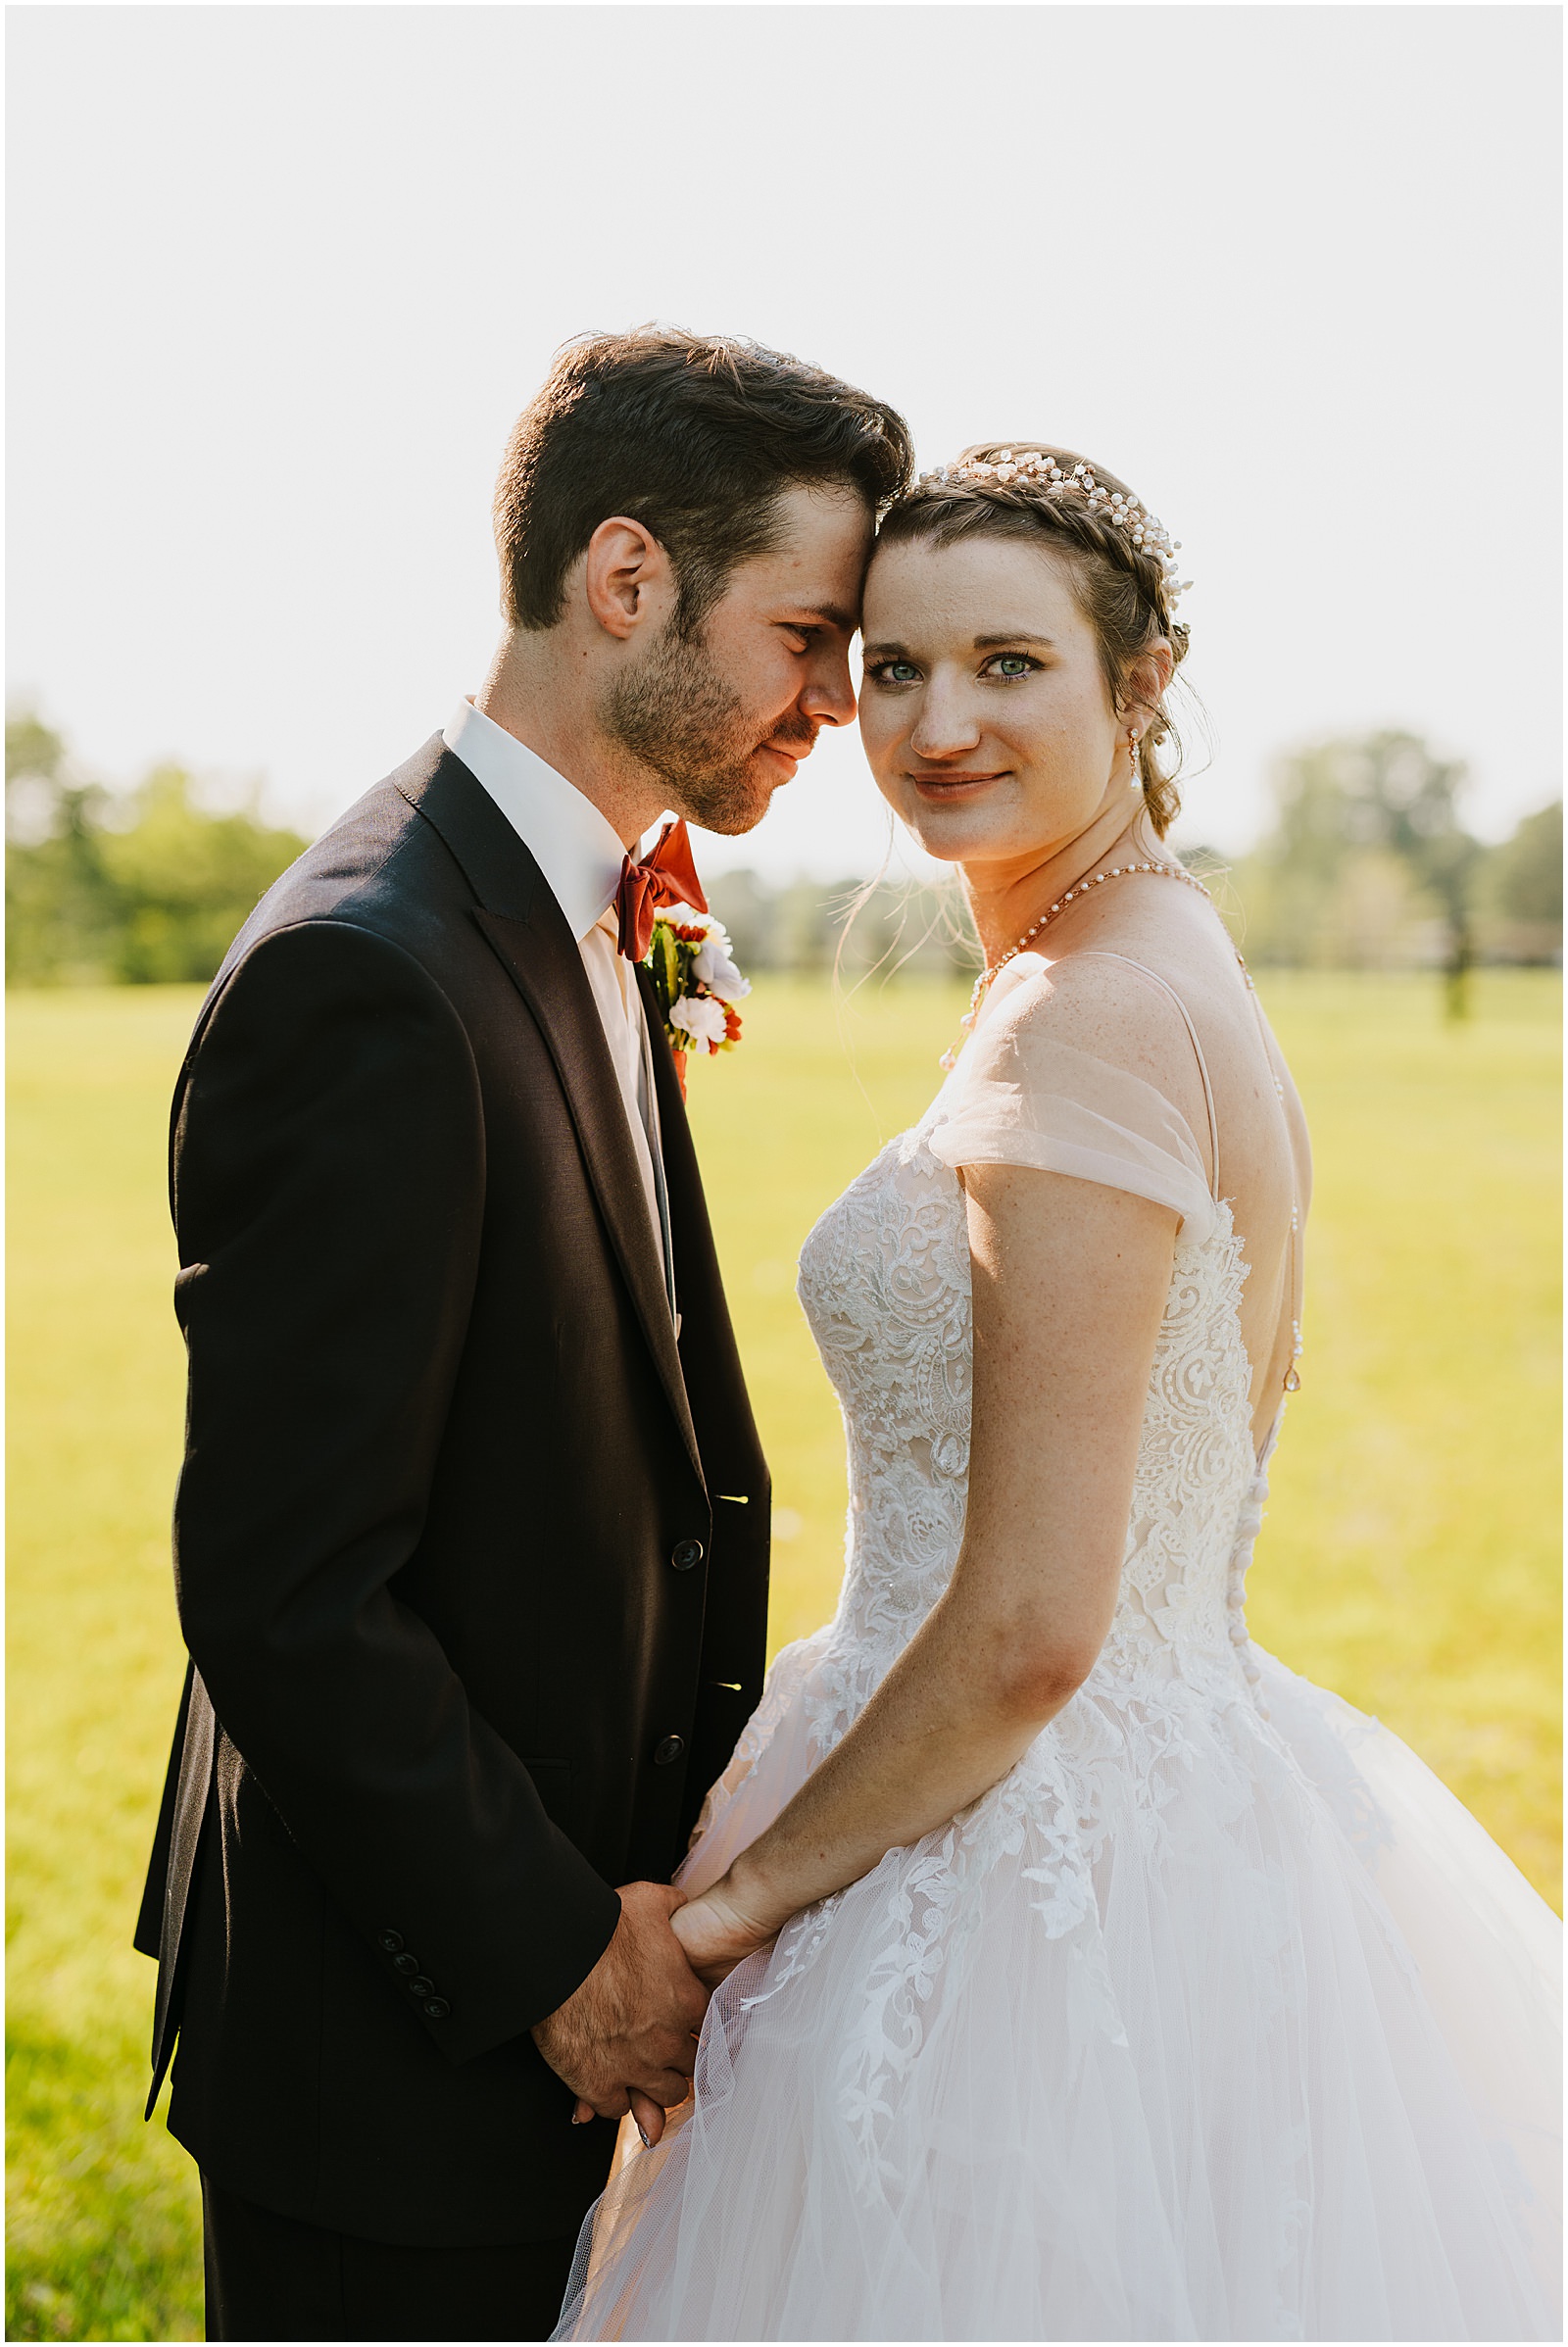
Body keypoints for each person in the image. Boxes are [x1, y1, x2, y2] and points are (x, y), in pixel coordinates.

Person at [556, 445, 1562, 2341]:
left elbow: (1028, 1622)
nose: (937, 722)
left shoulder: (1085, 1010)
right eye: (894, 669)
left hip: (1013, 1851)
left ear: (1142, 677)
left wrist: (718, 1922)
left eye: (1009, 664)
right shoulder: (1146, 954)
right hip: (1145, 1795)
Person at [132, 326, 913, 2343]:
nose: (841, 699)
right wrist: (564, 1955)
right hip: (398, 2027)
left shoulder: (584, 896)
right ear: (626, 580)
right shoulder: (366, 977)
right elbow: (290, 1588)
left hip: (553, 1983)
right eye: (809, 632)